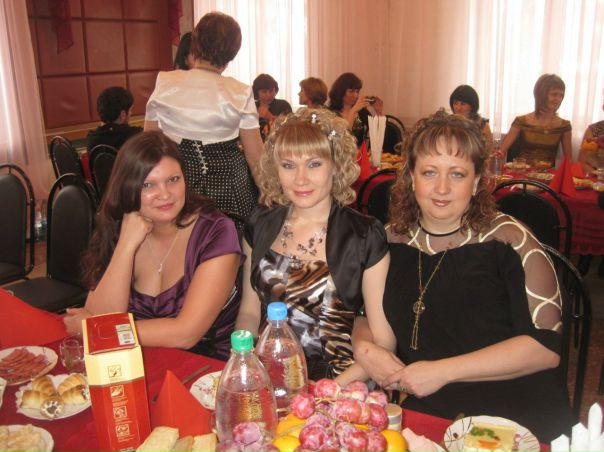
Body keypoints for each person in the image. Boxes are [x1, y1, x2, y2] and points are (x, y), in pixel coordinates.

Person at [352, 111, 573, 441]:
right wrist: (364, 349)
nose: (442, 188)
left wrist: (442, 372)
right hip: (431, 407)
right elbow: (363, 314)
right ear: (411, 177)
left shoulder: (510, 241)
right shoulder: (387, 240)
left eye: (457, 174)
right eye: (429, 172)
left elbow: (545, 348)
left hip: (516, 412)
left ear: (477, 180)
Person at [235, 108, 389, 384]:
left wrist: (325, 392)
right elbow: (249, 311)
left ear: (336, 165)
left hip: (342, 381)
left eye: (314, 164)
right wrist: (245, 364)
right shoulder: (259, 224)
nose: (301, 179)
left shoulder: (363, 235)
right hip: (271, 376)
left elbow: (383, 341)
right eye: (288, 165)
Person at [64, 131, 242, 360]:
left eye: (173, 180)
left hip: (205, 367)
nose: (165, 194)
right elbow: (98, 314)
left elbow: (186, 334)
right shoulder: (122, 226)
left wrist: (101, 331)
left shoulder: (216, 232)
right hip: (136, 360)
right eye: (148, 185)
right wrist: (126, 245)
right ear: (128, 187)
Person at [145, 12, 262, 220]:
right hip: (230, 192)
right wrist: (270, 196)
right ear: (232, 53)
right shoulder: (239, 92)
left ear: (195, 43)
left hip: (179, 189)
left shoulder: (165, 82)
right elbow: (255, 158)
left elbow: (148, 146)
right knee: (231, 237)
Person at [499, 74, 572, 167]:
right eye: (554, 94)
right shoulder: (521, 121)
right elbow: (500, 152)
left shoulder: (564, 126)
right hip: (521, 172)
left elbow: (569, 160)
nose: (558, 99)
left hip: (548, 175)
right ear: (541, 95)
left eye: (561, 95)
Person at [328, 72, 384, 146]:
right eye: (351, 91)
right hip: (339, 152)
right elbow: (331, 138)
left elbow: (377, 133)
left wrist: (379, 112)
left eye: (357, 91)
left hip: (359, 152)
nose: (356, 95)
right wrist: (353, 111)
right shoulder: (330, 113)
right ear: (340, 91)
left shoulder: (361, 111)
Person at [86, 86, 142, 152]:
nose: (131, 113)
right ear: (122, 115)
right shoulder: (136, 136)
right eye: (130, 110)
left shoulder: (91, 139)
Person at [449, 84, 493, 151]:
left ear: (472, 106)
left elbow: (489, 152)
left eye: (463, 104)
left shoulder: (483, 126)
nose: (458, 108)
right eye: (455, 103)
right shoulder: (447, 124)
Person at [252, 73, 293, 140]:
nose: (268, 95)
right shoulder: (251, 107)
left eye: (271, 91)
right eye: (264, 92)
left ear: (275, 90)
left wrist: (270, 117)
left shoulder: (283, 105)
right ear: (257, 92)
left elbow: (291, 129)